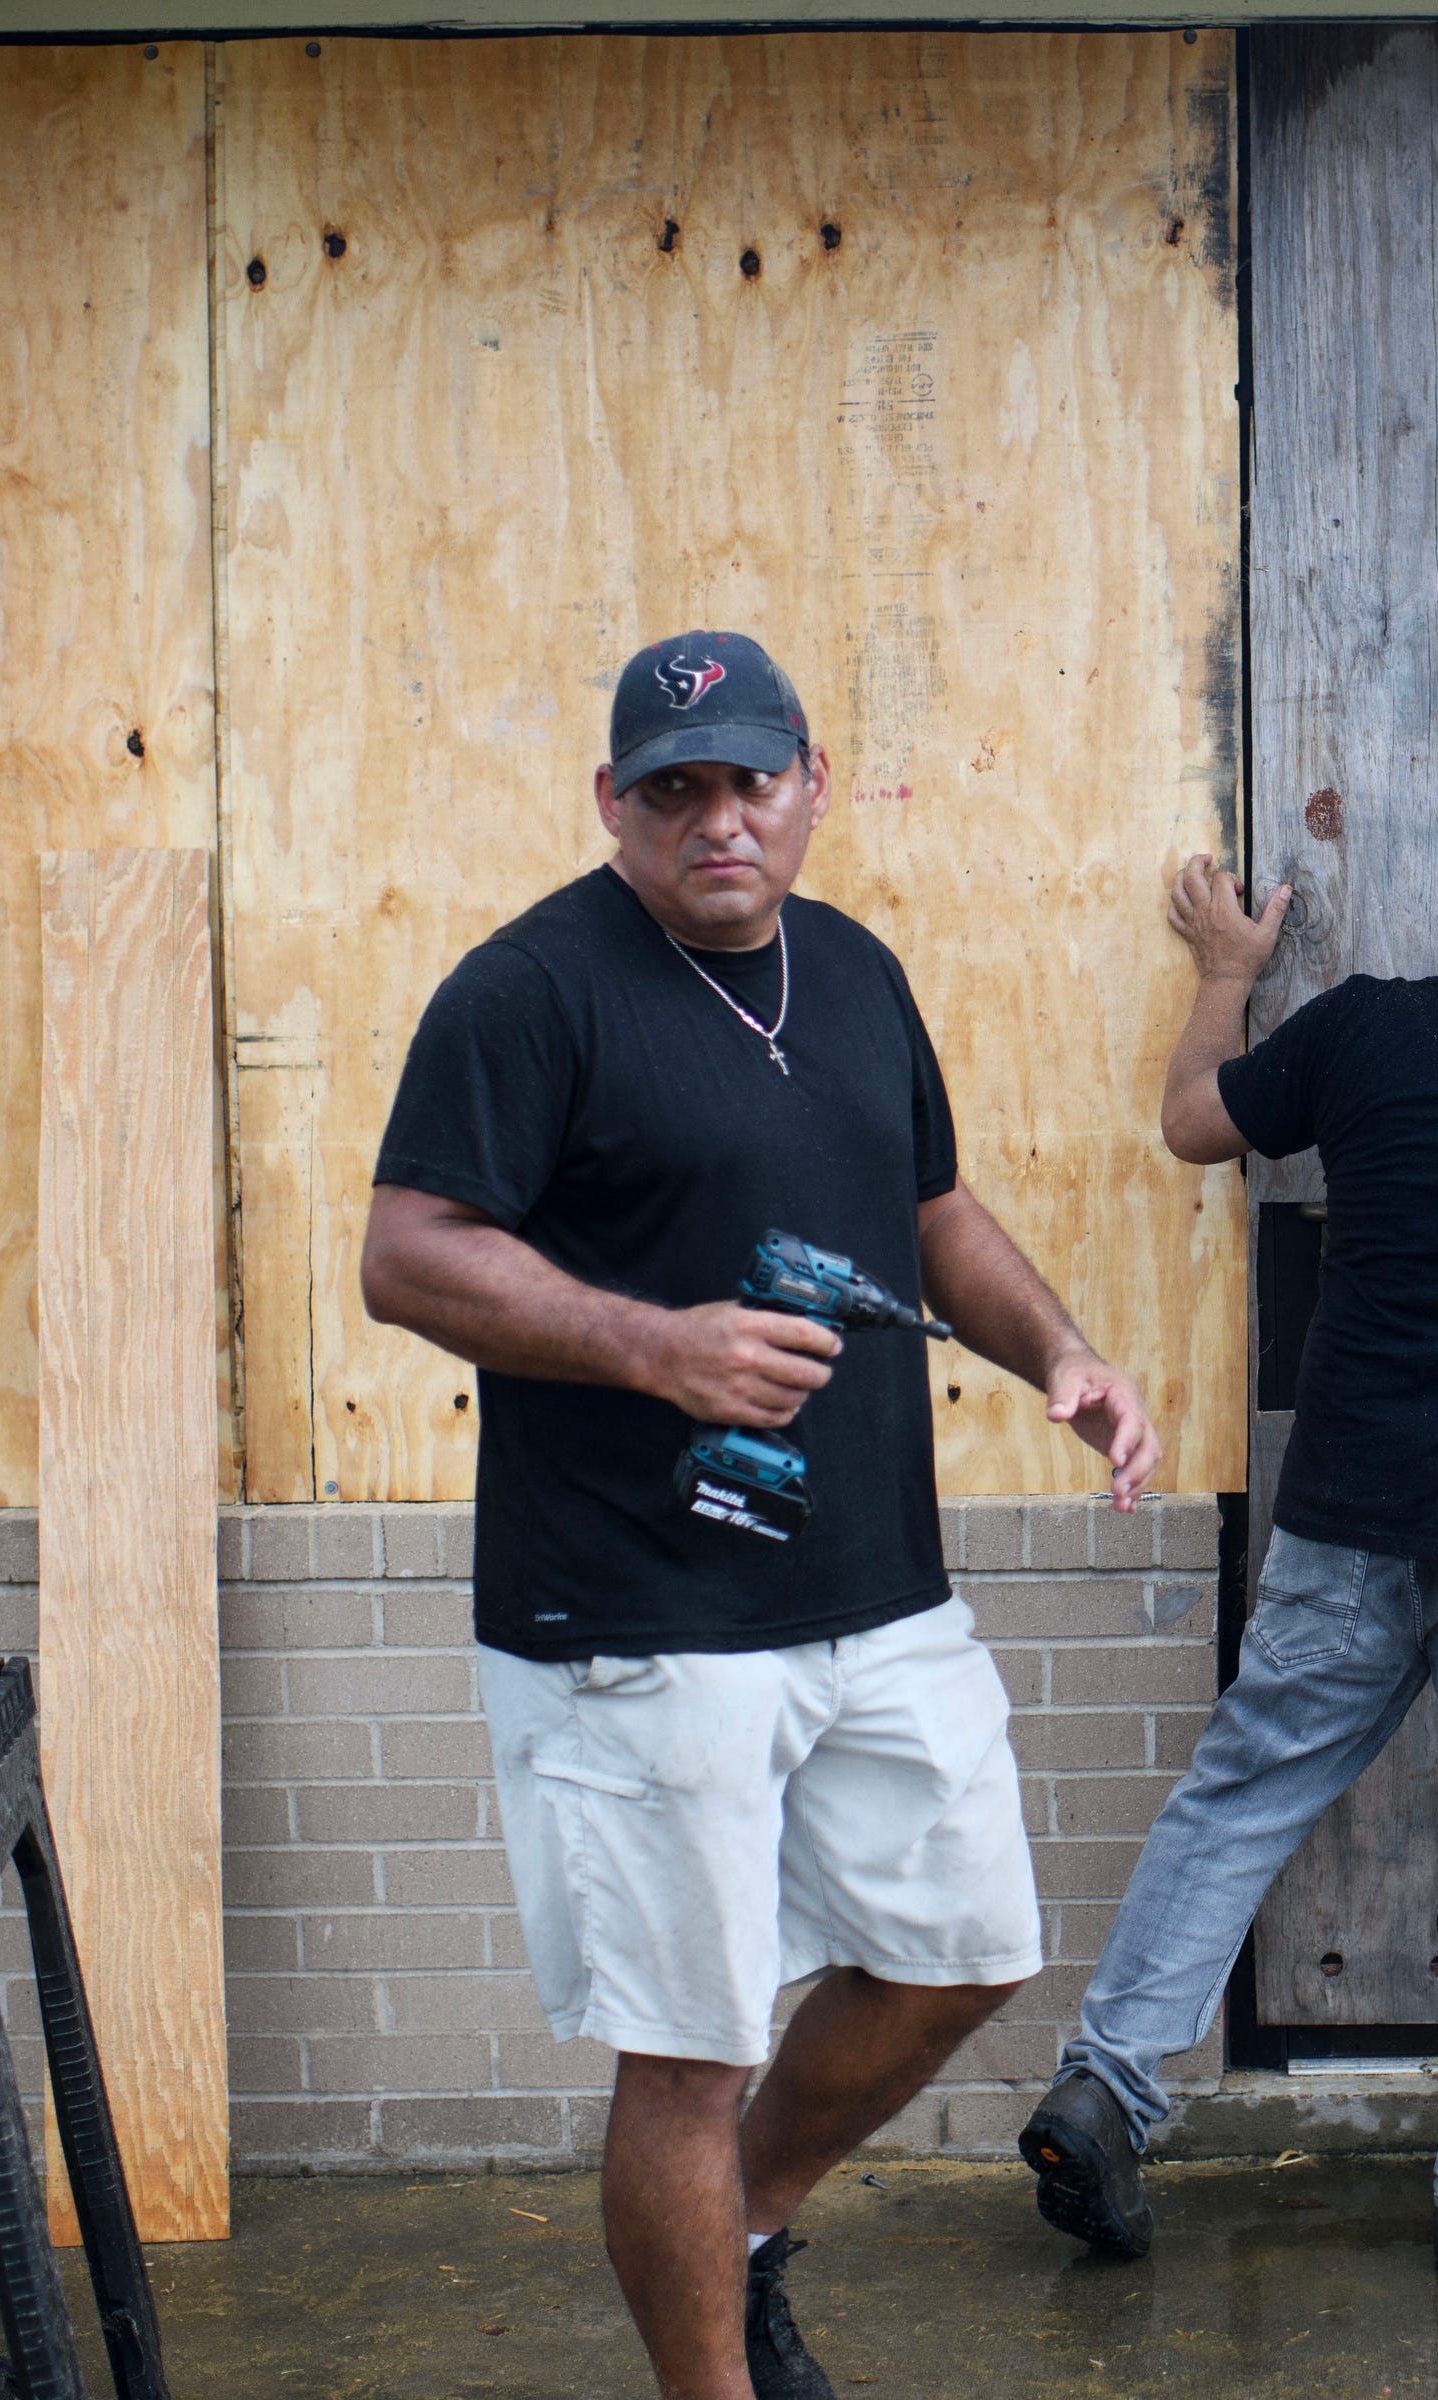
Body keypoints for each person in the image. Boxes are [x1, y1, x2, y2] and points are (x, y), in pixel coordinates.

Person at [361, 631, 1163, 2400]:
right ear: (615, 805)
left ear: (811, 781)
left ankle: (737, 2227)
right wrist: (656, 1349)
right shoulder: (530, 992)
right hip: (635, 1621)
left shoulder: (858, 973)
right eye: (675, 790)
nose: (718, 820)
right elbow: (406, 1257)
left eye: (750, 780)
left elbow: (932, 1206)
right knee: (689, 2053)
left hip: (873, 1586)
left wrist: (1063, 1352)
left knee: (965, 1955)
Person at [1019, 762, 1438, 2279]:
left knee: (1241, 1791)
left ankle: (1109, 2084)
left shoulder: (1364, 1032)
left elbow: (1196, 1121)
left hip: (1348, 1512)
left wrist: (1225, 973)